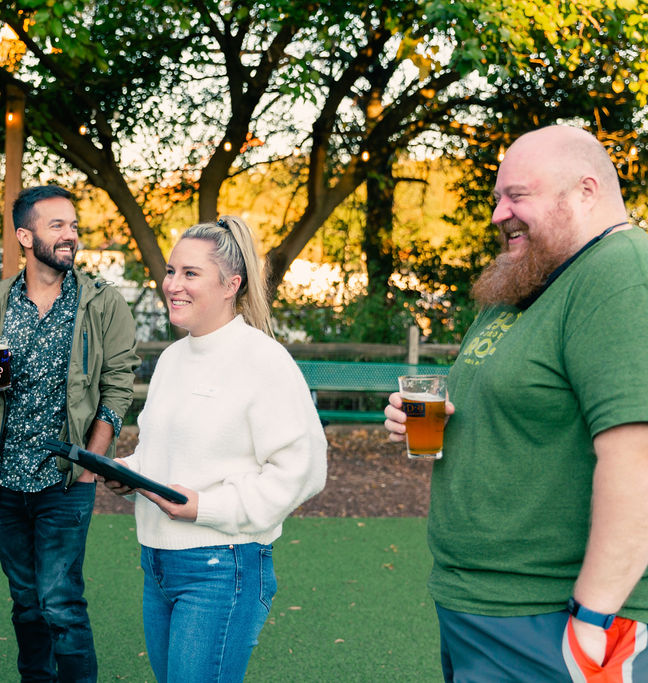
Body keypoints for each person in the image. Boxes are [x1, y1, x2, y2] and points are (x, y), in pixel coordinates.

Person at [384, 124, 648, 681]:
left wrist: (593, 615)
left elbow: (638, 458)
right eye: (497, 198)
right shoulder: (523, 285)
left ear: (585, 191)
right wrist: (426, 421)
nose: (498, 214)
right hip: (476, 604)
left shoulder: (622, 270)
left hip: (553, 617)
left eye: (517, 196)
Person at [103, 216, 328, 682]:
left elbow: (303, 471)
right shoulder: (171, 358)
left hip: (222, 567)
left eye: (190, 274)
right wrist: (127, 470)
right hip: (156, 562)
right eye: (171, 271)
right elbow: (159, 450)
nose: (173, 285)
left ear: (232, 285)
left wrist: (204, 506)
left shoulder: (263, 360)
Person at [0, 184, 139, 682]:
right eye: (57, 225)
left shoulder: (101, 302)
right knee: (26, 605)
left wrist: (90, 466)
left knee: (60, 605)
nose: (70, 235)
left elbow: (119, 388)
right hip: (4, 479)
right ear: (24, 236)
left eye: (74, 225)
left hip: (65, 478)